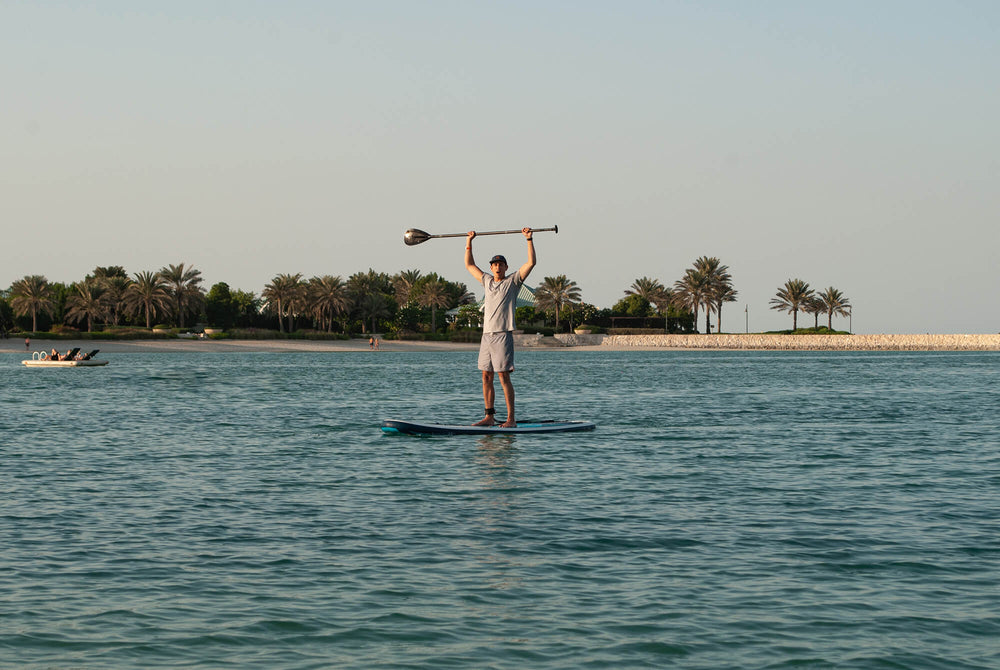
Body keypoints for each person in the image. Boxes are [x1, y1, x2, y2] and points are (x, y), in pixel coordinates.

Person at [465, 227, 536, 427]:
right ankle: (489, 416)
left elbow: (531, 263)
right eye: (494, 264)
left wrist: (528, 240)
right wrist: (470, 242)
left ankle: (511, 419)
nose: (497, 267)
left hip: (503, 336)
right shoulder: (486, 281)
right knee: (486, 376)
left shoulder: (512, 282)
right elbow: (469, 264)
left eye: (500, 264)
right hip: (486, 336)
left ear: (505, 267)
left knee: (503, 376)